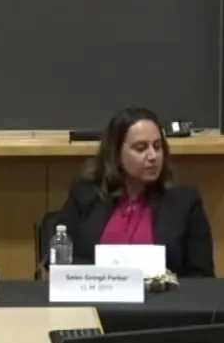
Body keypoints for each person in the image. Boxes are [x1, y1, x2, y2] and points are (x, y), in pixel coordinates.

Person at [51, 107, 215, 277]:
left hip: (162, 293)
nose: (153, 156)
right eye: (141, 148)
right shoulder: (85, 194)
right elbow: (57, 259)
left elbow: (202, 276)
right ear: (116, 153)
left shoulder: (185, 202)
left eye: (157, 146)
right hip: (97, 291)